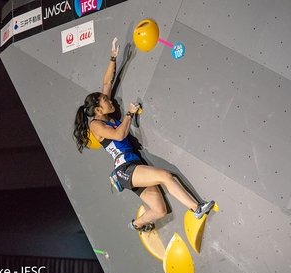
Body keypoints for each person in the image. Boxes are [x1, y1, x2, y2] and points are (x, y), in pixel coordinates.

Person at [73, 37, 214, 232]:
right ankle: (197, 208)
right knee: (166, 175)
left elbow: (107, 81)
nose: (109, 99)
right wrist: (129, 113)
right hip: (125, 168)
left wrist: (113, 57)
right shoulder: (96, 124)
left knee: (160, 210)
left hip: (133, 165)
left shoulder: (105, 113)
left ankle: (136, 224)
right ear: (97, 109)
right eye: (105, 100)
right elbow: (120, 135)